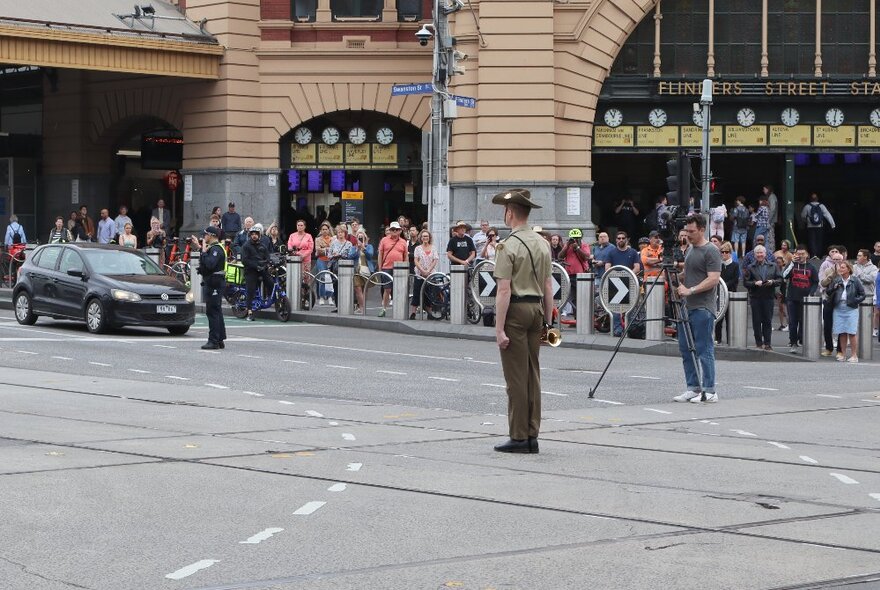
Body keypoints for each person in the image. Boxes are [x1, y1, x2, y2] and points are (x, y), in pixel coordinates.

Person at [491, 188, 553, 454]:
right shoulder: (543, 243)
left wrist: (499, 329)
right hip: (537, 310)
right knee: (533, 375)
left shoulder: (507, 245)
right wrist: (548, 324)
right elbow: (549, 286)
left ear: (510, 213)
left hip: (515, 311)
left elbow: (503, 290)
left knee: (516, 378)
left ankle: (518, 436)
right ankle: (532, 434)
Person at [671, 214, 721, 403]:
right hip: (687, 305)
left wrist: (690, 290)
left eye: (691, 231)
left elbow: (713, 278)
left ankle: (710, 390)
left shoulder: (712, 251)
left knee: (703, 349)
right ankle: (693, 387)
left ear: (702, 229)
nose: (688, 235)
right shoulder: (690, 249)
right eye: (687, 231)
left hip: (702, 307)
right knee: (685, 349)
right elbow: (690, 273)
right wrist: (679, 276)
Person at [194, 226, 227, 350]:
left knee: (212, 311)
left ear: (212, 235)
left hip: (215, 283)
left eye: (205, 235)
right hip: (214, 282)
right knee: (216, 311)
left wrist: (201, 250)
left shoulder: (216, 249)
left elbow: (210, 264)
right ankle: (219, 339)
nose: (204, 237)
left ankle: (213, 340)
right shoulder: (214, 248)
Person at [743, 245, 782, 350]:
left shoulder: (773, 266)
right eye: (757, 253)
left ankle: (768, 343)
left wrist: (772, 282)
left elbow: (780, 279)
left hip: (768, 297)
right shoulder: (750, 267)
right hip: (755, 297)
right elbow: (745, 282)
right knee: (756, 321)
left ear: (765, 254)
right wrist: (755, 283)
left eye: (761, 253)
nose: (760, 255)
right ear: (754, 255)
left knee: (767, 321)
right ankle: (759, 343)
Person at [781, 245, 818, 354]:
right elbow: (784, 275)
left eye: (803, 254)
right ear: (795, 254)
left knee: (803, 321)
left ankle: (800, 338)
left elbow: (815, 282)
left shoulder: (811, 267)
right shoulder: (792, 265)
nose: (801, 256)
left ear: (807, 255)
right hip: (792, 298)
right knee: (793, 322)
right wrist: (792, 263)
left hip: (806, 299)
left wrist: (811, 293)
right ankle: (793, 342)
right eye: (798, 254)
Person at [827, 260, 865, 362]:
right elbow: (828, 291)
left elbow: (862, 294)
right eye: (840, 267)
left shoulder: (855, 280)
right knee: (842, 332)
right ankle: (843, 355)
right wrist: (834, 288)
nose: (840, 269)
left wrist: (854, 301)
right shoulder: (837, 280)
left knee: (851, 332)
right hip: (838, 308)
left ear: (848, 269)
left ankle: (854, 355)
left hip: (851, 308)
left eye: (843, 267)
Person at [604, 231, 641, 336]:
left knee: (630, 307)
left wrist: (627, 275)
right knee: (615, 307)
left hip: (630, 282)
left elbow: (637, 267)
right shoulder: (611, 252)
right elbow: (607, 267)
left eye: (623, 238)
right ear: (616, 240)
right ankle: (617, 329)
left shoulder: (633, 252)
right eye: (619, 238)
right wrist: (616, 275)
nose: (621, 240)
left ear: (627, 239)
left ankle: (629, 328)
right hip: (615, 283)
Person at [376, 221, 408, 317]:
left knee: (399, 289)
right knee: (387, 289)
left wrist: (406, 267)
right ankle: (384, 308)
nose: (394, 231)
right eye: (392, 229)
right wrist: (380, 267)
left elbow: (405, 255)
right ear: (390, 230)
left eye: (396, 229)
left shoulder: (403, 242)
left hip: (400, 268)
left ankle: (399, 308)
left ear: (400, 231)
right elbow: (380, 254)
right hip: (387, 267)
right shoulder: (384, 240)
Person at [241, 223, 271, 321]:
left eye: (256, 234)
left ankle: (271, 300)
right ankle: (249, 311)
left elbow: (267, 257)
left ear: (259, 235)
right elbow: (244, 260)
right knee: (251, 290)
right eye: (252, 234)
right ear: (250, 235)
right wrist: (256, 265)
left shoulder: (262, 245)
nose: (254, 235)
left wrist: (267, 263)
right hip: (250, 271)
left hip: (261, 269)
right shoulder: (246, 246)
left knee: (270, 282)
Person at [819, 247, 845, 357]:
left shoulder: (846, 270)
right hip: (828, 299)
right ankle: (829, 348)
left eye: (838, 260)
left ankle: (840, 349)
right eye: (834, 260)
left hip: (841, 301)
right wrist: (830, 276)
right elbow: (822, 283)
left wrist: (840, 274)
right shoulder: (828, 270)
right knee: (827, 325)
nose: (836, 262)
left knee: (840, 325)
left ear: (842, 260)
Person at [560, 228, 591, 314]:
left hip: (581, 275)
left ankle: (582, 316)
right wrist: (567, 246)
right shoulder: (568, 246)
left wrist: (577, 248)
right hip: (569, 275)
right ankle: (576, 318)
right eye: (573, 238)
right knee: (573, 298)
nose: (575, 240)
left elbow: (586, 257)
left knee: (581, 298)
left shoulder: (584, 245)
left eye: (576, 238)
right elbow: (560, 256)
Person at [714, 242, 740, 345]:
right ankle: (718, 338)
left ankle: (730, 339)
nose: (724, 254)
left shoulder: (735, 265)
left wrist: (724, 285)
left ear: (730, 253)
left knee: (730, 318)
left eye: (726, 252)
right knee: (718, 317)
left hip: (730, 293)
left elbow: (735, 279)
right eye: (722, 252)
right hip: (719, 295)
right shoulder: (719, 265)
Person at [410, 229, 438, 319]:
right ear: (421, 238)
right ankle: (413, 312)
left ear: (429, 238)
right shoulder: (417, 248)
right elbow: (416, 260)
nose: (425, 238)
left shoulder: (433, 247)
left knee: (429, 293)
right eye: (423, 236)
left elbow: (435, 259)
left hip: (430, 273)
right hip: (419, 273)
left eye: (426, 236)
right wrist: (422, 270)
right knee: (417, 292)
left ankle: (429, 312)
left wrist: (428, 270)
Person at [801, 192, 835, 260]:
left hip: (810, 227)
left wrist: (806, 222)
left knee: (812, 241)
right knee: (819, 241)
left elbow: (803, 216)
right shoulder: (821, 206)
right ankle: (819, 255)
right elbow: (827, 215)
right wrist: (832, 225)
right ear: (817, 199)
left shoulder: (807, 206)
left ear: (810, 199)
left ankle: (813, 254)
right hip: (820, 226)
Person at [328, 223, 356, 309]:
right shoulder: (333, 243)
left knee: (345, 286)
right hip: (334, 266)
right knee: (335, 286)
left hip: (345, 267)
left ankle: (346, 305)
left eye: (342, 232)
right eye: (338, 232)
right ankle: (337, 306)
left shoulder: (349, 244)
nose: (340, 234)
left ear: (345, 233)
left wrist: (340, 255)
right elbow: (329, 255)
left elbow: (350, 255)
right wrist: (333, 255)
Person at [354, 230, 375, 314]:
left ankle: (362, 306)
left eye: (361, 237)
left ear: (365, 238)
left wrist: (363, 248)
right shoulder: (354, 247)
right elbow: (350, 256)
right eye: (358, 237)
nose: (360, 239)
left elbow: (370, 255)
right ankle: (361, 307)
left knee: (364, 289)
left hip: (366, 270)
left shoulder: (369, 246)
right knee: (358, 288)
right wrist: (357, 249)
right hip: (356, 270)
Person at [773, 240, 793, 331]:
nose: (783, 246)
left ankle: (788, 323)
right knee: (780, 307)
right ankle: (782, 324)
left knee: (785, 306)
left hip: (785, 285)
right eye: (782, 245)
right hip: (778, 286)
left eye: (785, 245)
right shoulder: (776, 253)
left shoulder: (789, 255)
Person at [314, 221, 333, 305]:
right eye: (323, 229)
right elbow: (318, 250)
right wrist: (327, 248)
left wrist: (323, 248)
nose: (324, 231)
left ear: (329, 230)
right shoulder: (317, 239)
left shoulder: (333, 239)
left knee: (330, 279)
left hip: (330, 260)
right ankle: (321, 297)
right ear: (320, 231)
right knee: (322, 278)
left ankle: (330, 297)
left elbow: (334, 250)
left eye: (326, 229)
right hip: (321, 260)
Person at [764, 184, 779, 252]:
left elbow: (772, 209)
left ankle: (771, 251)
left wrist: (768, 219)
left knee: (770, 237)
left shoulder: (772, 197)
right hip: (771, 220)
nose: (763, 191)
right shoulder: (771, 197)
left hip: (771, 220)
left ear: (768, 189)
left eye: (764, 189)